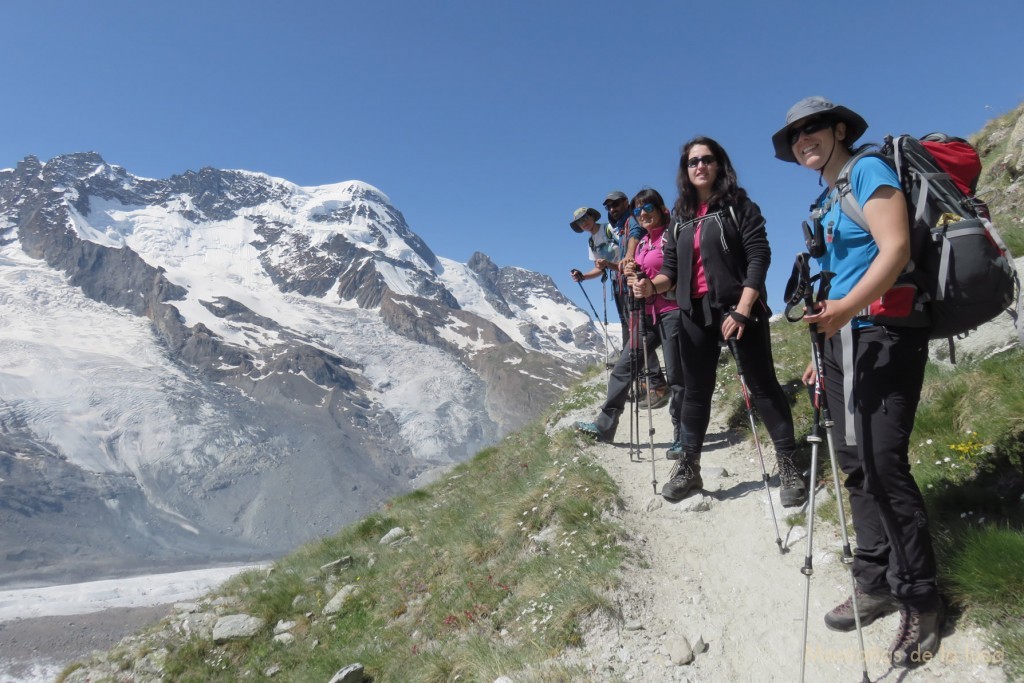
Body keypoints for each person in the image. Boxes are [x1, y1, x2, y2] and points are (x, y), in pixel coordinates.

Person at [772, 96, 943, 667]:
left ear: (839, 129)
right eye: (794, 137)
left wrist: (845, 309)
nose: (803, 141)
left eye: (813, 129)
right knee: (853, 461)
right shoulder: (826, 196)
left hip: (884, 333)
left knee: (883, 464)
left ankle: (921, 598)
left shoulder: (867, 170)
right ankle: (874, 580)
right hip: (845, 342)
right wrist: (826, 342)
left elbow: (894, 249)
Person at [637, 137, 805, 507]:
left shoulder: (738, 206)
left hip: (737, 308)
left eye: (707, 159)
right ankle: (689, 466)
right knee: (695, 392)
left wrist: (744, 307)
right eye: (692, 161)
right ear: (685, 170)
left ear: (719, 164)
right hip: (694, 312)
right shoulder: (680, 218)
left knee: (762, 386)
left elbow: (760, 255)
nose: (700, 166)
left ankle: (789, 465)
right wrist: (652, 286)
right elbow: (670, 271)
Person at [576, 189, 682, 444]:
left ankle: (682, 435)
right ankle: (605, 426)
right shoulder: (644, 243)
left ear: (661, 210)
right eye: (637, 211)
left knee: (679, 378)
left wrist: (648, 280)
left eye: (648, 209)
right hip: (645, 314)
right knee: (622, 369)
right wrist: (627, 269)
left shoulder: (671, 237)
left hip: (671, 312)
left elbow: (675, 272)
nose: (642, 214)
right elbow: (629, 265)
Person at [570, 204, 668, 408]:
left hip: (630, 283)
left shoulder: (609, 229)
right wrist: (584, 276)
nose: (584, 223)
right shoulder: (591, 241)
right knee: (630, 336)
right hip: (618, 285)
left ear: (592, 216)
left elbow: (627, 252)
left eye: (586, 218)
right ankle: (644, 382)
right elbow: (600, 267)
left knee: (637, 333)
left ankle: (656, 384)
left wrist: (617, 266)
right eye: (580, 222)